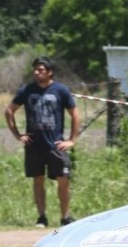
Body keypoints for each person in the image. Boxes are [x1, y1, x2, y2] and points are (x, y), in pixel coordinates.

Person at [4, 56, 80, 228]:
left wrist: (72, 140)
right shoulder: (27, 90)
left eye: (41, 70)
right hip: (34, 146)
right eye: (36, 69)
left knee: (63, 180)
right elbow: (9, 111)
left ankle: (65, 217)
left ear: (50, 72)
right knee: (38, 181)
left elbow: (74, 113)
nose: (37, 72)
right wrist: (17, 135)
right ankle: (42, 217)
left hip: (56, 145)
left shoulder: (61, 90)